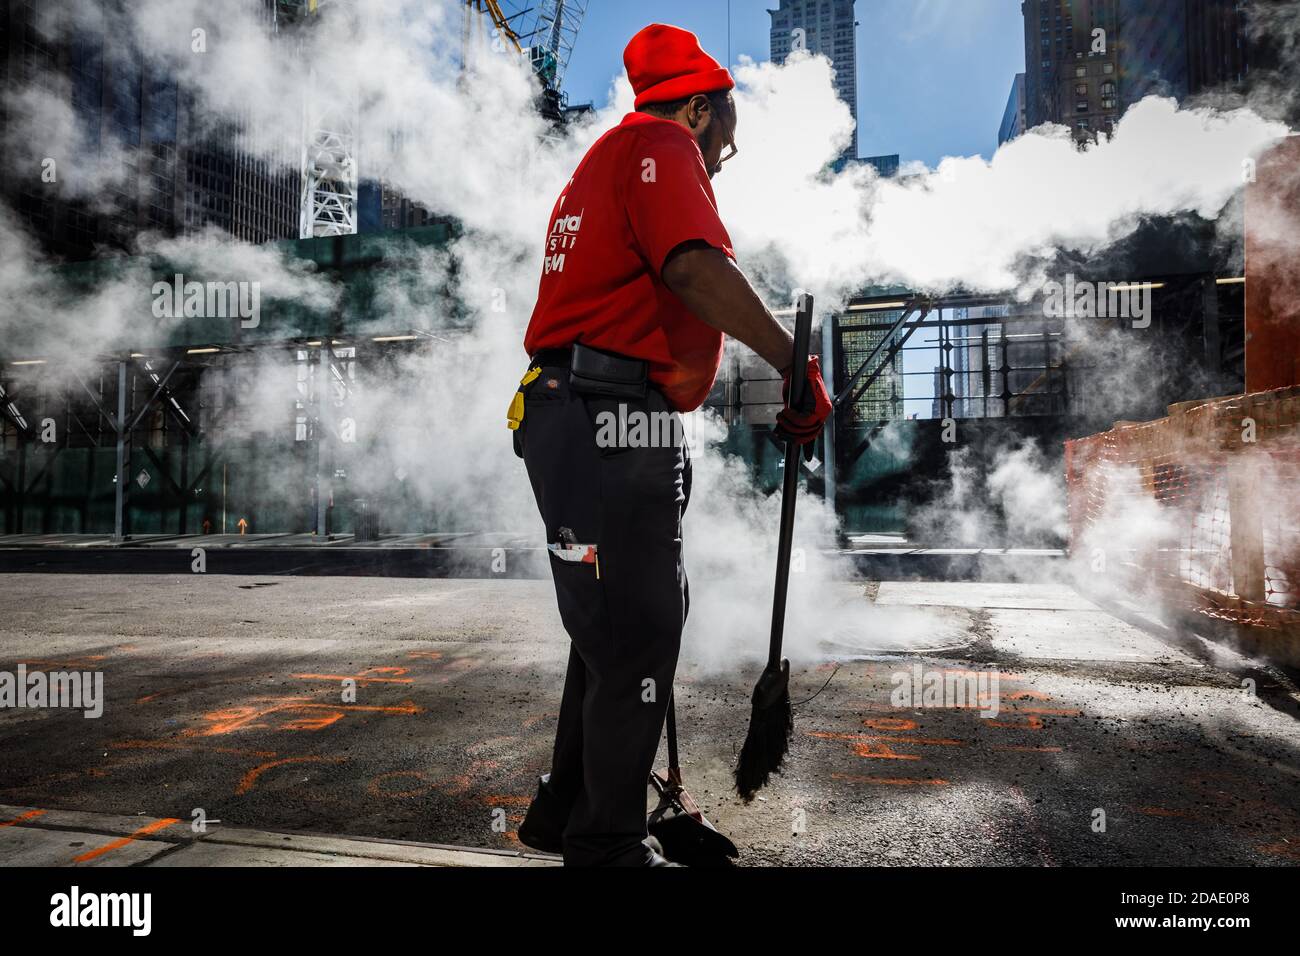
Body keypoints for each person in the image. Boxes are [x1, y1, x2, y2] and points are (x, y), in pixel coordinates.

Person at [508, 23, 832, 867]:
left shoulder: (604, 161)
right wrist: (798, 364)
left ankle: (571, 805)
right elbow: (692, 266)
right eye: (725, 136)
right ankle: (607, 845)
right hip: (605, 415)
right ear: (698, 109)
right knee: (637, 628)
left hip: (588, 413)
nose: (724, 157)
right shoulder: (658, 143)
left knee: (625, 623)